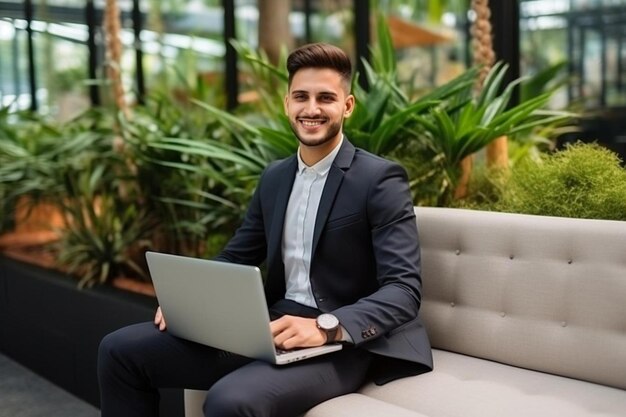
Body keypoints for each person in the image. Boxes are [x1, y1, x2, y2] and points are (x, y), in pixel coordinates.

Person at [97, 42, 432, 417]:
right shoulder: (275, 177)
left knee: (231, 400)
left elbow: (403, 290)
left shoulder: (379, 179)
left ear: (347, 106)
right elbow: (238, 255)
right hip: (270, 323)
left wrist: (325, 327)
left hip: (341, 341)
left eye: (326, 98)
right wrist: (190, 302)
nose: (312, 109)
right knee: (119, 350)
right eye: (301, 97)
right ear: (286, 103)